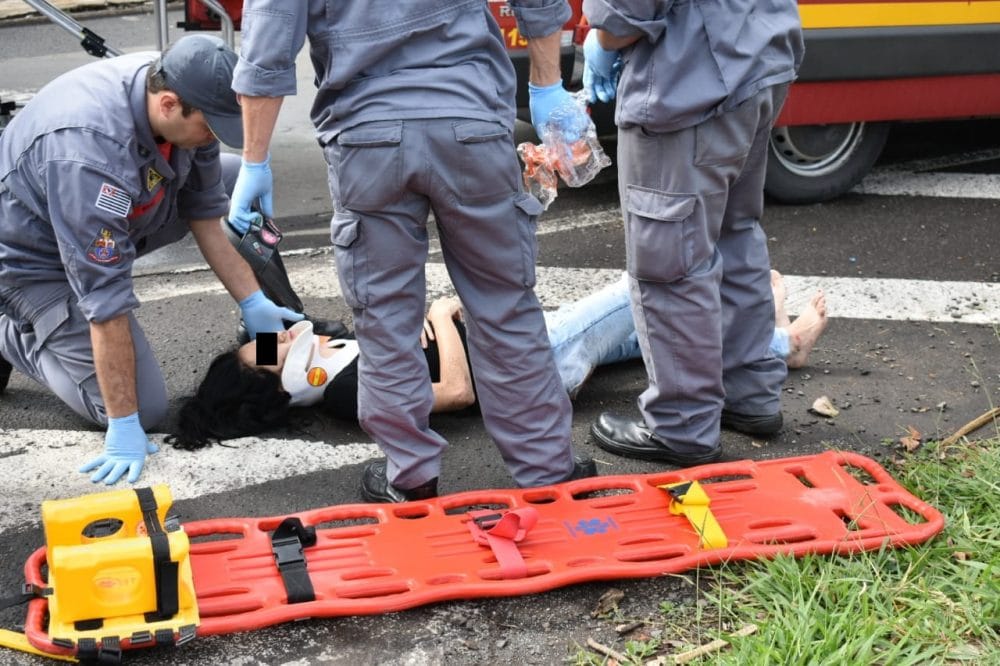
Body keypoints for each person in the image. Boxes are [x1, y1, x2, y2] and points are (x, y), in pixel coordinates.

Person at [228, 1, 597, 503]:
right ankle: (548, 468)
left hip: (367, 136)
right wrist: (546, 84)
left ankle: (410, 476)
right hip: (470, 121)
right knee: (505, 304)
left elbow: (268, 40)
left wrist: (255, 160)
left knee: (385, 317)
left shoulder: (312, 375)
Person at [0, 35, 305, 485]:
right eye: (209, 128)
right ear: (168, 105)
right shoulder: (88, 155)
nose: (211, 138)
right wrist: (123, 422)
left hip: (116, 214)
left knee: (236, 179)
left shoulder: (180, 89)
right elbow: (105, 301)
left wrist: (252, 301)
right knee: (142, 409)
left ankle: (278, 318)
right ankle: (15, 333)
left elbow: (205, 212)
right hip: (34, 265)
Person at [167, 273, 828, 451]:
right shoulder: (345, 391)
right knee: (645, 280)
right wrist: (439, 315)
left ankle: (761, 343)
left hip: (516, 343)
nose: (283, 338)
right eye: (271, 350)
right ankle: (779, 346)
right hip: (529, 364)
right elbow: (456, 391)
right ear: (280, 384)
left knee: (655, 327)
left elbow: (315, 339)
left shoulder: (331, 360)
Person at [580, 0, 805, 466]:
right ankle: (749, 395)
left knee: (671, 262)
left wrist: (602, 39)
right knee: (734, 234)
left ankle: (683, 425)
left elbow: (623, 16)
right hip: (758, 58)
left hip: (690, 81)